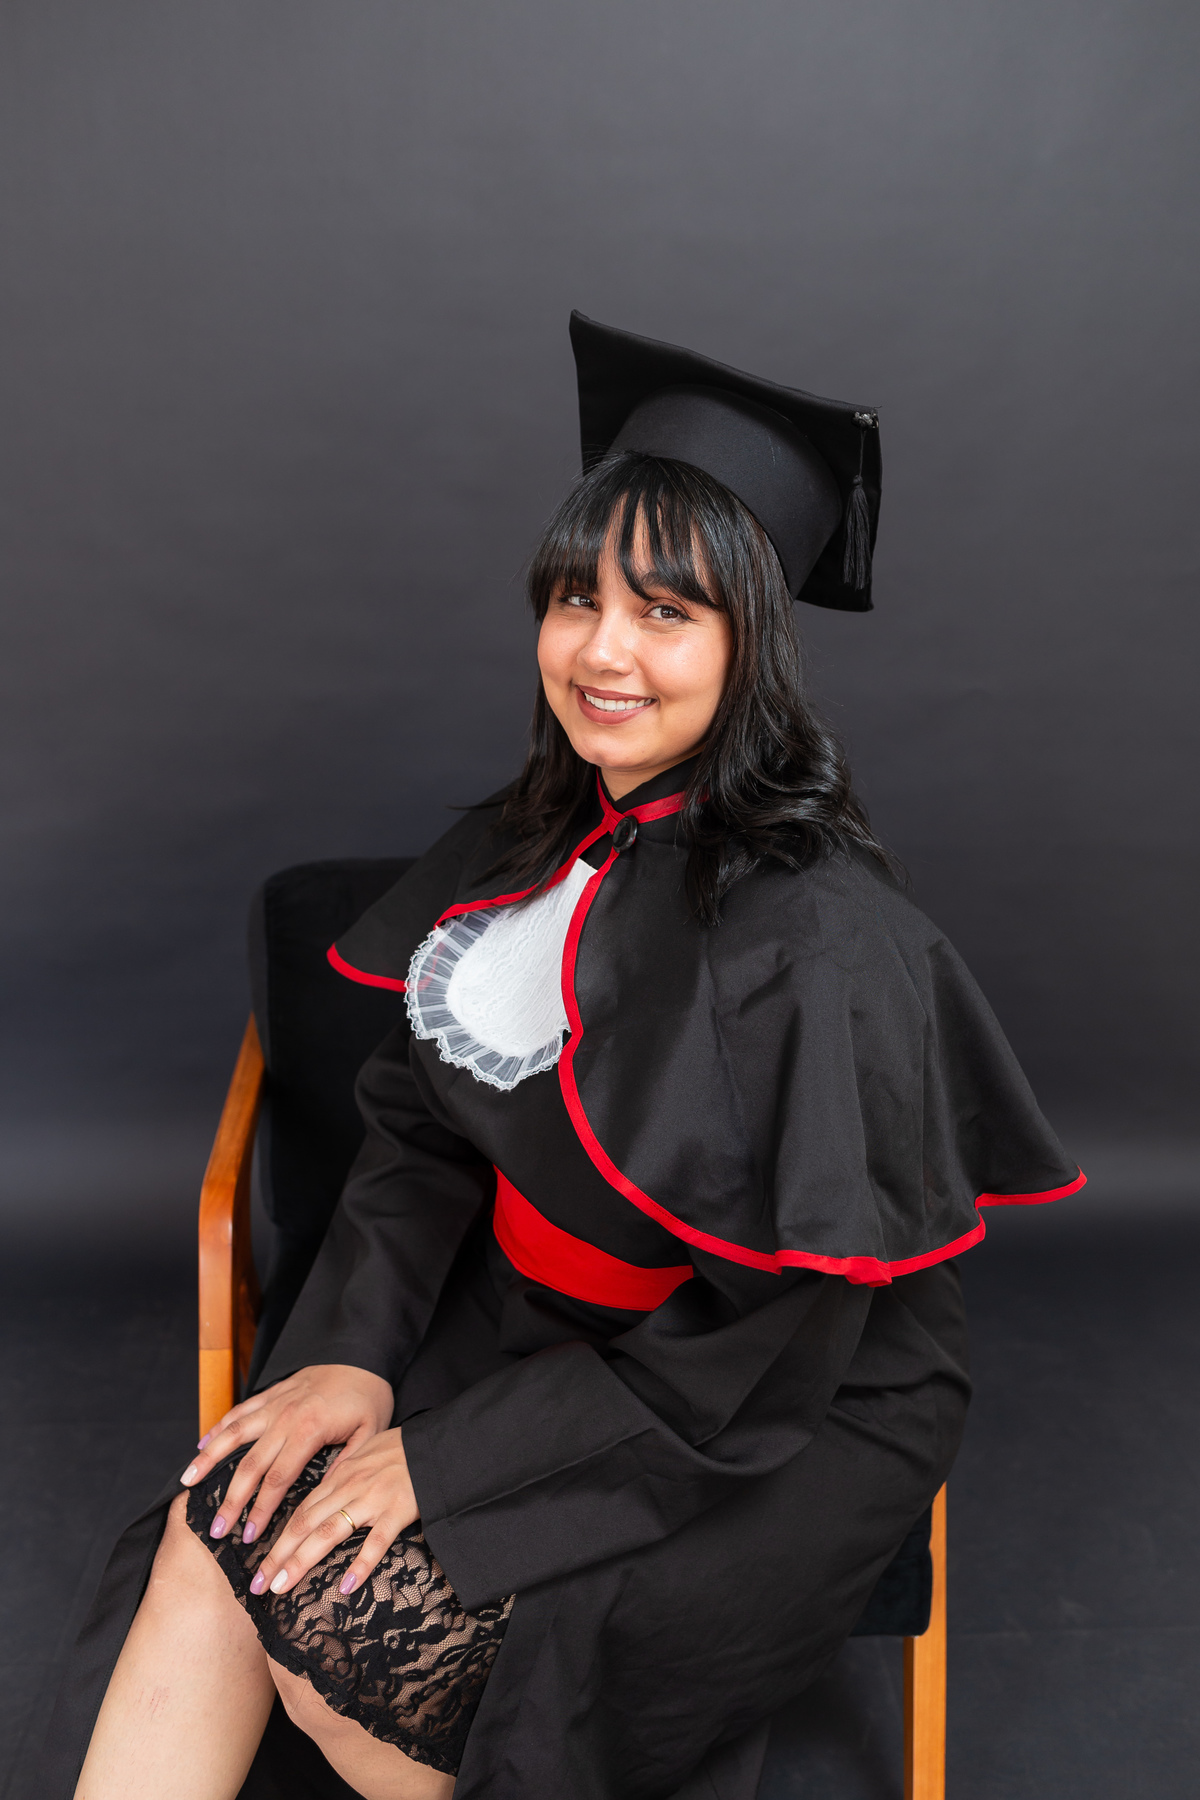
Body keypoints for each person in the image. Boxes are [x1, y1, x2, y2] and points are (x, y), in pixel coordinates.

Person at [58, 314, 1083, 1800]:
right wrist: (348, 1351)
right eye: (575, 597)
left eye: (666, 612)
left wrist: (451, 1463)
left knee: (358, 1648)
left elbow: (769, 1346)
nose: (601, 650)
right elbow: (418, 1128)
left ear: (750, 645)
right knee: (225, 1533)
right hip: (536, 1319)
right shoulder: (534, 836)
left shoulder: (831, 948)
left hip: (769, 1406)